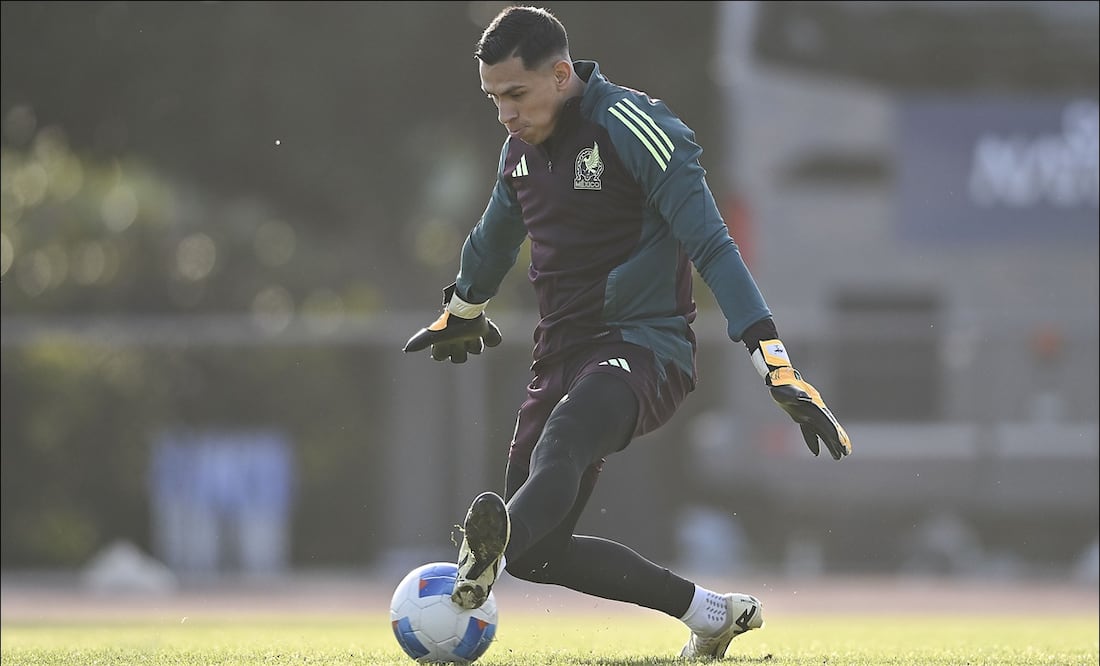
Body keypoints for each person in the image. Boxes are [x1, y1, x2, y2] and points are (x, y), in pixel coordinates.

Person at [403, 5, 852, 659]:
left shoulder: (634, 127)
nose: (505, 113)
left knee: (565, 439)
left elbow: (713, 245)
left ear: (561, 75)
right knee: (537, 554)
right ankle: (709, 614)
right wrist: (463, 309)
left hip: (646, 346)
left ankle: (479, 568)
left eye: (516, 94)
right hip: (559, 356)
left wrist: (772, 360)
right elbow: (494, 237)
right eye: (494, 98)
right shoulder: (519, 151)